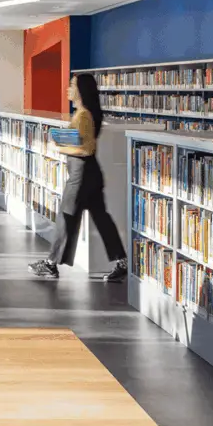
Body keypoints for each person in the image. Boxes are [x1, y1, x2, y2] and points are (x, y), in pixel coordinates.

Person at [33, 73, 128, 280]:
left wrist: (62, 147)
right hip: (91, 174)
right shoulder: (84, 113)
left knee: (66, 216)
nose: (68, 88)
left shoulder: (84, 115)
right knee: (101, 218)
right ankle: (121, 261)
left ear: (81, 90)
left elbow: (86, 149)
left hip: (81, 174)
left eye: (72, 85)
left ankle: (51, 264)